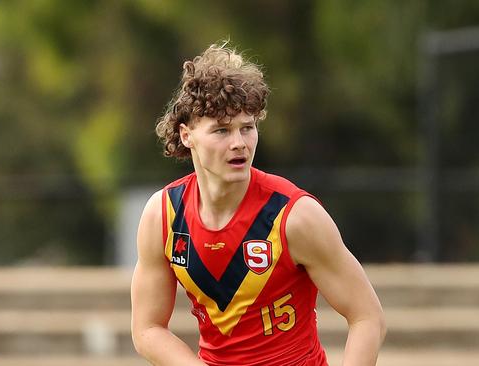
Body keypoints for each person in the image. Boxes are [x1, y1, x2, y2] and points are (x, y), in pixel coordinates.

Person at [131, 42, 386, 366]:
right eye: (222, 130)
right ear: (186, 135)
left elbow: (367, 317)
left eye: (247, 128)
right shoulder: (164, 215)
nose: (239, 143)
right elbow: (147, 328)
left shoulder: (294, 216)